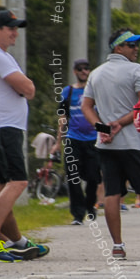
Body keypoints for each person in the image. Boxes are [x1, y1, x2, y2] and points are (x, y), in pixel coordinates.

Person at [82, 29, 140, 260]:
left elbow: (86, 107)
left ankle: (118, 246)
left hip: (106, 146)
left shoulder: (96, 74)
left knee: (112, 194)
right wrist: (118, 124)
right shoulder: (135, 70)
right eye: (131, 45)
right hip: (131, 143)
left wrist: (102, 129)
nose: (136, 48)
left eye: (137, 45)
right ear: (117, 47)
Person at [0, 10, 48, 262]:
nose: (15, 33)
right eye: (10, 28)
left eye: (16, 28)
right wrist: (25, 88)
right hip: (3, 127)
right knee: (18, 181)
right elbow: (28, 88)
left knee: (1, 185)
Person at [58, 59, 101, 224]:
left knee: (93, 177)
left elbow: (103, 114)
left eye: (86, 68)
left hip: (93, 139)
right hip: (73, 139)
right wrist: (57, 142)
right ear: (75, 72)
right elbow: (62, 118)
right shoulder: (67, 92)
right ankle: (77, 214)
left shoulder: (95, 91)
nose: (84, 71)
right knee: (73, 176)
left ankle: (90, 206)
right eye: (80, 69)